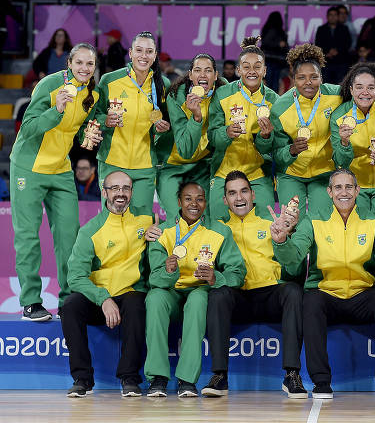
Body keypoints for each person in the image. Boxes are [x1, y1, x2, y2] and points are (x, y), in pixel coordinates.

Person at [271, 169, 375, 400]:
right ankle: (321, 382)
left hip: (363, 292)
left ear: (357, 191)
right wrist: (282, 241)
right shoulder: (313, 219)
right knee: (311, 301)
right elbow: (293, 256)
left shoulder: (373, 218)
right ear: (329, 192)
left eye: (349, 187)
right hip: (326, 292)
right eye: (338, 187)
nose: (343, 192)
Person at [11, 43, 101, 321]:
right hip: (29, 166)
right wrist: (57, 109)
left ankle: (68, 300)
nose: (85, 68)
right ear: (69, 64)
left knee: (69, 237)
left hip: (61, 169)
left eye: (90, 64)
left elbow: (76, 132)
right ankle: (30, 303)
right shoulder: (50, 84)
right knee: (28, 237)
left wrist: (91, 133)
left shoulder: (91, 94)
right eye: (80, 63)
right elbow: (28, 129)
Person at [202, 170, 306, 398]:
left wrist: (287, 236)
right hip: (237, 296)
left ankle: (292, 374)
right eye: (232, 193)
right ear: (224, 200)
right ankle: (220, 376)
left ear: (253, 194)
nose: (239, 198)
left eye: (244, 191)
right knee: (217, 295)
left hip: (270, 294)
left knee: (293, 291)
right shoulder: (216, 229)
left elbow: (294, 268)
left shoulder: (271, 222)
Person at [61, 171, 162, 397]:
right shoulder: (90, 230)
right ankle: (81, 378)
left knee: (137, 304)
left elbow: (172, 239)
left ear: (132, 193)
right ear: (104, 192)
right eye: (115, 188)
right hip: (100, 297)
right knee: (70, 306)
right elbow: (75, 276)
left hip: (131, 292)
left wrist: (160, 234)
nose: (121, 193)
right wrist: (103, 298)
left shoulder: (147, 220)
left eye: (125, 188)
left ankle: (129, 378)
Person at [144, 182, 245, 397]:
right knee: (154, 299)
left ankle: (187, 380)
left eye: (199, 199)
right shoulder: (161, 232)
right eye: (188, 199)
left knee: (198, 301)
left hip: (199, 290)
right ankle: (158, 378)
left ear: (205, 203)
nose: (194, 204)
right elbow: (154, 278)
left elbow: (237, 272)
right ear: (179, 202)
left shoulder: (220, 231)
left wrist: (215, 277)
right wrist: (168, 271)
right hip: (170, 292)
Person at [94, 31, 170, 217]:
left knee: (141, 222)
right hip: (112, 161)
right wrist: (105, 120)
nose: (143, 56)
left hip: (144, 165)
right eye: (139, 50)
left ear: (155, 56)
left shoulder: (163, 84)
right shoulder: (109, 80)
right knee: (111, 220)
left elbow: (167, 121)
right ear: (130, 53)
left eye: (149, 51)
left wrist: (164, 129)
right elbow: (94, 114)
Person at [207, 37, 279, 221]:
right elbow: (212, 136)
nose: (252, 71)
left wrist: (265, 137)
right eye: (246, 66)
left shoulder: (274, 101)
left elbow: (274, 147)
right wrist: (226, 133)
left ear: (264, 70)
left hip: (257, 174)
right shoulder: (222, 95)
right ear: (238, 70)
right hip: (223, 171)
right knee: (218, 228)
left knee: (267, 223)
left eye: (257, 66)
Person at [269, 43, 342, 217]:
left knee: (322, 224)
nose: (308, 82)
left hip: (324, 173)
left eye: (314, 77)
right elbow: (277, 154)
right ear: (293, 79)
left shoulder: (337, 95)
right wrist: (292, 150)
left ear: (322, 78)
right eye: (301, 77)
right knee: (293, 224)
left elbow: (363, 96)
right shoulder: (280, 107)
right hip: (291, 174)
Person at [330, 62, 375, 228]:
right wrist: (344, 142)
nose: (365, 92)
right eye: (359, 87)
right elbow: (340, 162)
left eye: (371, 87)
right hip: (355, 188)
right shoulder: (339, 117)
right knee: (360, 241)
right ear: (351, 89)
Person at [157, 53, 225, 219]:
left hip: (204, 165)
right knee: (176, 219)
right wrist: (196, 118)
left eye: (208, 71)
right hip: (173, 165)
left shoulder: (224, 93)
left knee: (208, 217)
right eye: (197, 70)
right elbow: (185, 150)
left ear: (215, 76)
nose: (202, 75)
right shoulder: (176, 96)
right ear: (190, 75)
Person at [314, 6, 352, 84]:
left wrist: (337, 51)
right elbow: (318, 44)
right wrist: (327, 52)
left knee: (340, 86)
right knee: (326, 86)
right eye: (330, 15)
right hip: (326, 62)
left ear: (338, 17)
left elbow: (347, 44)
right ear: (327, 17)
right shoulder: (321, 29)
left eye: (335, 15)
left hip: (341, 62)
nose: (333, 17)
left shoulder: (344, 29)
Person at [260, 11, 289, 93]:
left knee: (271, 83)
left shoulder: (267, 29)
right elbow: (266, 42)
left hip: (272, 60)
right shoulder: (274, 30)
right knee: (273, 83)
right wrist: (278, 44)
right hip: (272, 60)